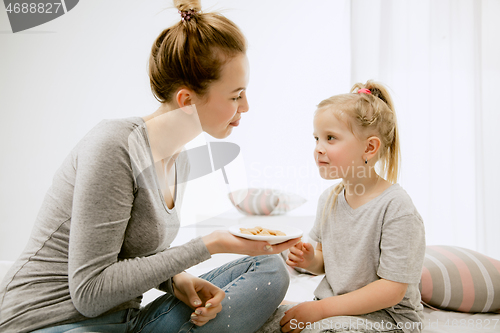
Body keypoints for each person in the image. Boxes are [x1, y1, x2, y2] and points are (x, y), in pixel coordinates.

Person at [0, 1, 300, 332]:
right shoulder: (114, 147)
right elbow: (88, 293)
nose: (246, 106)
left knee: (269, 269)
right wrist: (210, 245)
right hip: (48, 322)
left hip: (125, 323)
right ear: (187, 101)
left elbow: (132, 256)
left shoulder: (179, 160)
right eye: (235, 95)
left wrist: (175, 280)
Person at [257, 81, 426, 333]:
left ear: (369, 147)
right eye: (316, 138)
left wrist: (320, 310)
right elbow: (327, 263)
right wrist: (310, 259)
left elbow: (392, 289)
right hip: (334, 308)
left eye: (330, 138)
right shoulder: (330, 198)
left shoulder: (397, 207)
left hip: (386, 319)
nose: (318, 149)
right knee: (261, 320)